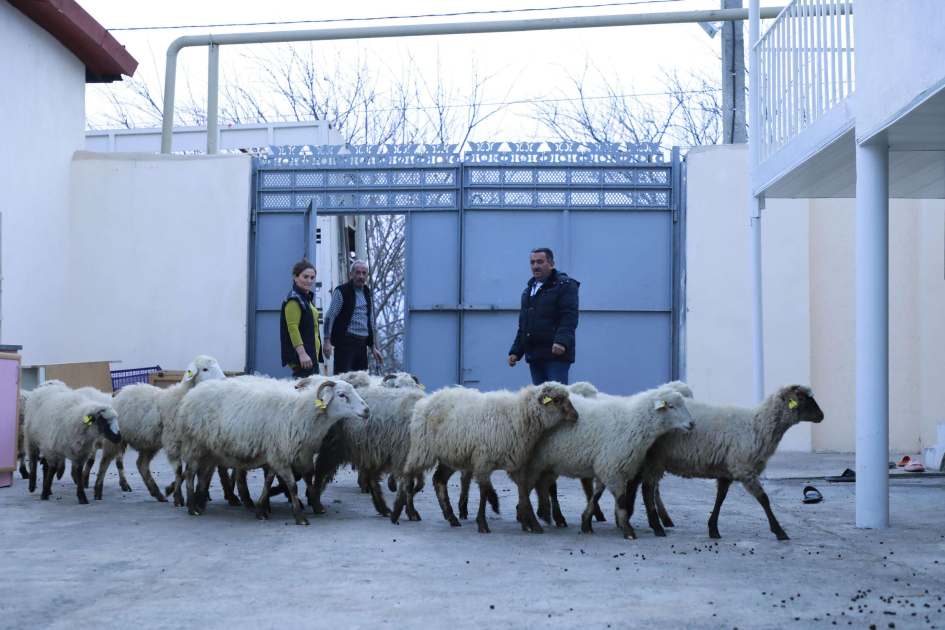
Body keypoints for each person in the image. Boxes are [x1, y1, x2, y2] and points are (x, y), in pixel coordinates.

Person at [508, 247, 579, 385]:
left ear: (551, 264)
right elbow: (524, 324)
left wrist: (561, 342)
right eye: (532, 262)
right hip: (535, 355)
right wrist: (516, 351)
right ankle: (547, 402)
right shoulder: (528, 290)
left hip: (556, 355)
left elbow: (569, 317)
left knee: (556, 395)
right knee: (542, 396)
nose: (535, 266)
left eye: (540, 262)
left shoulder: (565, 285)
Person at [323, 260, 384, 374]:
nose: (361, 276)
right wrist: (327, 340)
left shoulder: (367, 293)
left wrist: (373, 347)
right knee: (342, 379)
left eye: (364, 273)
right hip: (345, 343)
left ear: (367, 275)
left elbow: (370, 320)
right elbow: (330, 316)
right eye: (357, 272)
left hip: (362, 345)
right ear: (351, 274)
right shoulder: (342, 291)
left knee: (360, 380)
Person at [280, 258, 323, 378]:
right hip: (303, 358)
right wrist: (302, 354)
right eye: (305, 277)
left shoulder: (306, 299)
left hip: (311, 356)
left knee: (314, 389)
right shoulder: (294, 299)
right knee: (304, 389)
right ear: (295, 277)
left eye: (312, 277)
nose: (309, 281)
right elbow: (292, 328)